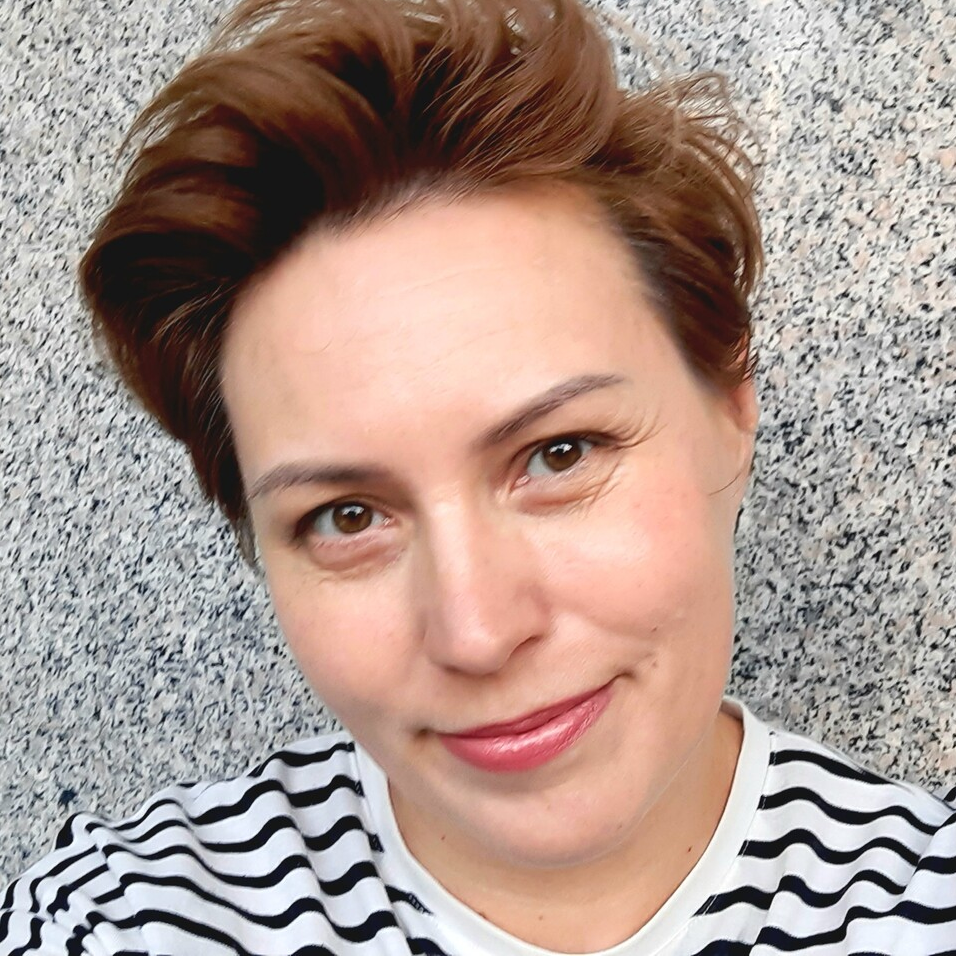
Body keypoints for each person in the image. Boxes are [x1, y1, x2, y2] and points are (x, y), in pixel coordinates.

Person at [2, 0, 954, 952]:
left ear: (731, 409)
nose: (478, 633)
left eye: (559, 454)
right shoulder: (122, 920)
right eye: (346, 516)